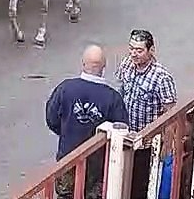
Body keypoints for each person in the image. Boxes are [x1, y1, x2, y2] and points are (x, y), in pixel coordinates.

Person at [45, 45, 128, 199]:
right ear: (103, 67)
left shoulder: (65, 88)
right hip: (98, 163)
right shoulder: (113, 98)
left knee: (66, 195)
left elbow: (51, 118)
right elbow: (121, 130)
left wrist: (67, 132)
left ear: (83, 64)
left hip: (68, 158)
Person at [118, 29, 177, 199]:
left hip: (147, 144)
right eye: (131, 49)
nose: (133, 54)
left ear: (151, 51)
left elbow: (170, 112)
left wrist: (167, 143)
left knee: (140, 186)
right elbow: (121, 92)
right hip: (126, 138)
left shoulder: (161, 77)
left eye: (139, 50)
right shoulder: (126, 65)